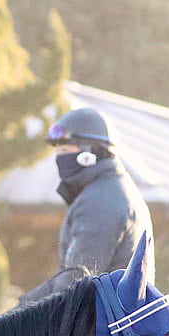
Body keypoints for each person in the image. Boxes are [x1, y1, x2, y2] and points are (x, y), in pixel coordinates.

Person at [18, 106, 154, 305]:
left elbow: (74, 285)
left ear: (89, 154)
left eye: (64, 150)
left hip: (104, 330)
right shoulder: (111, 190)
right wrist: (16, 311)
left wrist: (9, 326)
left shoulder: (99, 202)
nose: (59, 159)